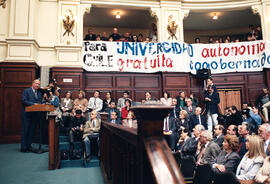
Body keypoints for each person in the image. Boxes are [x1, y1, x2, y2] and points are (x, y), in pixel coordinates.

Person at [21, 79, 43, 152]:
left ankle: (29, 146)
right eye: (36, 83)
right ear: (33, 83)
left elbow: (39, 102)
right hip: (26, 115)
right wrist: (33, 104)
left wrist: (43, 103)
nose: (37, 85)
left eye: (39, 84)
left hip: (34, 115)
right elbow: (24, 100)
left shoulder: (39, 93)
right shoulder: (26, 91)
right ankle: (23, 148)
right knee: (25, 131)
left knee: (31, 131)